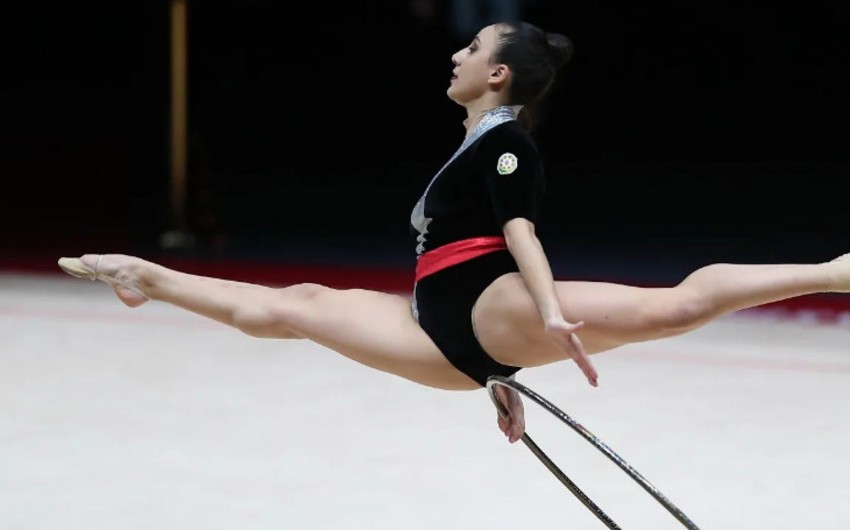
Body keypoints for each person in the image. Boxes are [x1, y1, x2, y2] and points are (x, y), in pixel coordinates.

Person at [58, 20, 850, 446]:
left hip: (485, 307)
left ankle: (834, 270)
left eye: (471, 48)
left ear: (497, 74)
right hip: (442, 334)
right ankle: (145, 277)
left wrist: (545, 315)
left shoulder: (508, 144)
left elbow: (520, 231)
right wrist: (502, 374)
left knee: (675, 307)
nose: (455, 53)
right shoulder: (476, 143)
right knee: (291, 306)